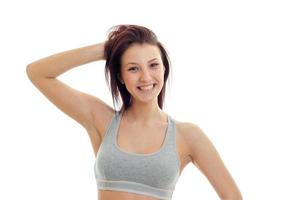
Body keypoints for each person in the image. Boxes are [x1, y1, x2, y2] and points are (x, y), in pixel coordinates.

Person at [26, 24, 242, 200]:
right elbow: (38, 73)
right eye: (133, 68)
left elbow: (232, 196)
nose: (146, 77)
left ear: (164, 69)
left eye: (153, 65)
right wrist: (107, 49)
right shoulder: (102, 119)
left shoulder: (188, 135)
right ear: (120, 75)